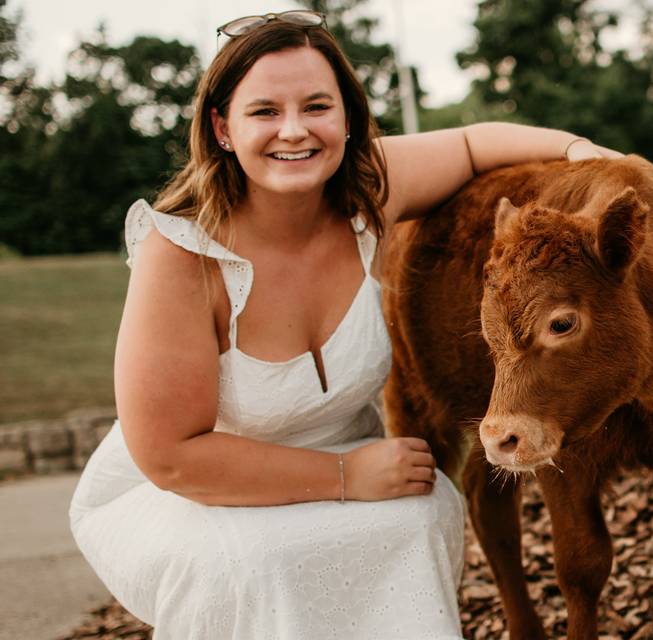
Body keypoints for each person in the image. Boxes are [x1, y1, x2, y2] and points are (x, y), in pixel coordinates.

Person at [69, 10, 616, 640]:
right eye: (265, 111)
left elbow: (470, 145)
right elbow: (171, 458)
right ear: (221, 127)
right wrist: (345, 478)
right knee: (260, 563)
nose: (295, 131)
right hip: (199, 491)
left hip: (349, 459)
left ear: (348, 120)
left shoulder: (366, 193)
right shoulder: (182, 253)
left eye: (317, 106)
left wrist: (583, 153)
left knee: (422, 509)